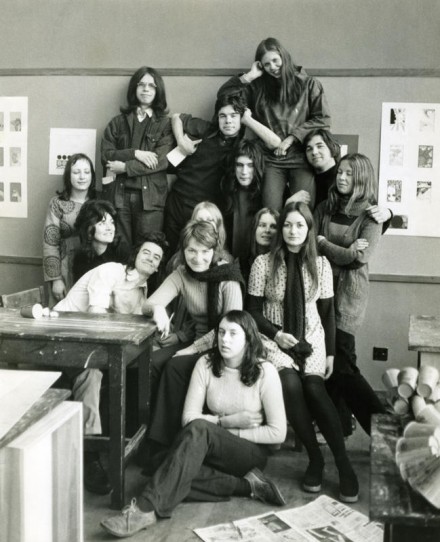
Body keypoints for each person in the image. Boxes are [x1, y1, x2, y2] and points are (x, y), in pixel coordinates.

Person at [101, 310, 287, 539]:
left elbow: (278, 433)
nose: (225, 339)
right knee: (163, 464)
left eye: (233, 334)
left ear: (248, 339)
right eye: (221, 332)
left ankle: (145, 509)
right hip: (214, 445)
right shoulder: (206, 364)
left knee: (182, 453)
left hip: (249, 453)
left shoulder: (265, 371)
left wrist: (230, 430)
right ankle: (247, 487)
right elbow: (188, 418)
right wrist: (225, 422)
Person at [247, 201, 359, 503]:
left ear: (309, 229)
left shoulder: (320, 265)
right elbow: (252, 311)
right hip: (275, 337)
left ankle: (343, 464)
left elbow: (328, 312)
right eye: (287, 225)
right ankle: (315, 459)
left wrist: (331, 354)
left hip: (312, 335)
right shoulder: (263, 263)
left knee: (314, 387)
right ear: (281, 229)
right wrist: (276, 334)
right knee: (290, 384)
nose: (293, 231)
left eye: (299, 225)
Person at [54, 232, 168, 495]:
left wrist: (157, 310)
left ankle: (132, 441)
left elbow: (135, 321)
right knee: (91, 374)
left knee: (144, 365)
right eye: (146, 252)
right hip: (64, 336)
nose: (150, 258)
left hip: (95, 346)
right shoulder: (110, 271)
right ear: (135, 255)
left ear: (158, 267)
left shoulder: (142, 291)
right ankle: (90, 456)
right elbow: (97, 319)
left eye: (156, 257)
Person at [143, 220, 244, 449]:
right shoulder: (182, 273)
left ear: (214, 251)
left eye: (205, 251)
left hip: (223, 345)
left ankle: (163, 443)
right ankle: (149, 429)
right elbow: (147, 304)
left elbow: (231, 328)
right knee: (151, 363)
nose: (198, 258)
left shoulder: (227, 276)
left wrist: (191, 349)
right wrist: (157, 308)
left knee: (175, 366)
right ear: (183, 250)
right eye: (191, 251)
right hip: (194, 341)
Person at [313, 154, 386, 437]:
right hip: (320, 294)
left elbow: (358, 259)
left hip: (348, 296)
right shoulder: (325, 207)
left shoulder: (371, 216)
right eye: (340, 172)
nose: (341, 178)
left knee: (343, 365)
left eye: (349, 174)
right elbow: (310, 245)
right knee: (328, 361)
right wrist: (340, 249)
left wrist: (324, 244)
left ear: (362, 178)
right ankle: (340, 424)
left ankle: (385, 432)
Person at [219, 37, 331, 211]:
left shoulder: (309, 84)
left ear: (283, 56)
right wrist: (250, 76)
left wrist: (292, 138)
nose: (272, 67)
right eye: (266, 64)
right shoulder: (257, 87)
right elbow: (225, 96)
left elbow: (323, 120)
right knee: (270, 212)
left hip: (301, 157)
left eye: (275, 60)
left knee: (302, 211)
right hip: (271, 159)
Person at [164, 94, 280, 255]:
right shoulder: (206, 129)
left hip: (203, 213)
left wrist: (248, 119)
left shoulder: (241, 146)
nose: (228, 121)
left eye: (234, 116)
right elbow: (177, 117)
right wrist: (181, 142)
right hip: (177, 201)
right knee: (170, 255)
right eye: (223, 116)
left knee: (197, 255)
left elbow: (275, 143)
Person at [101, 66, 174, 246]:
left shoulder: (165, 124)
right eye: (141, 84)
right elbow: (106, 155)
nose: (146, 89)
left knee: (147, 249)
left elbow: (160, 161)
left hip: (151, 200)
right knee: (120, 250)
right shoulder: (117, 122)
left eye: (151, 85)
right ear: (134, 88)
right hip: (119, 198)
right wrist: (135, 153)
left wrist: (126, 167)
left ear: (158, 91)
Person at [285, 128, 392, 227]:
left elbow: (373, 214)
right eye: (309, 149)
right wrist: (289, 203)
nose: (314, 152)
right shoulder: (303, 179)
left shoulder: (347, 178)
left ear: (332, 147)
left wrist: (388, 214)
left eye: (320, 146)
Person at [43, 153, 96, 304]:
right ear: (68, 176)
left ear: (92, 175)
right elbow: (50, 242)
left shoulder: (100, 201)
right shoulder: (57, 203)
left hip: (94, 267)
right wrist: (56, 279)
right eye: (76, 172)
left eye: (86, 172)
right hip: (65, 267)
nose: (82, 177)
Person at [222, 139, 264, 277]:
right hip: (230, 264)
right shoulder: (225, 190)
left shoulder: (266, 193)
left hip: (258, 265)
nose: (244, 172)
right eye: (239, 165)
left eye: (250, 165)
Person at [72, 199, 130, 283]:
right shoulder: (81, 258)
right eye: (102, 223)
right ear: (89, 229)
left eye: (112, 222)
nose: (109, 228)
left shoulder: (121, 250)